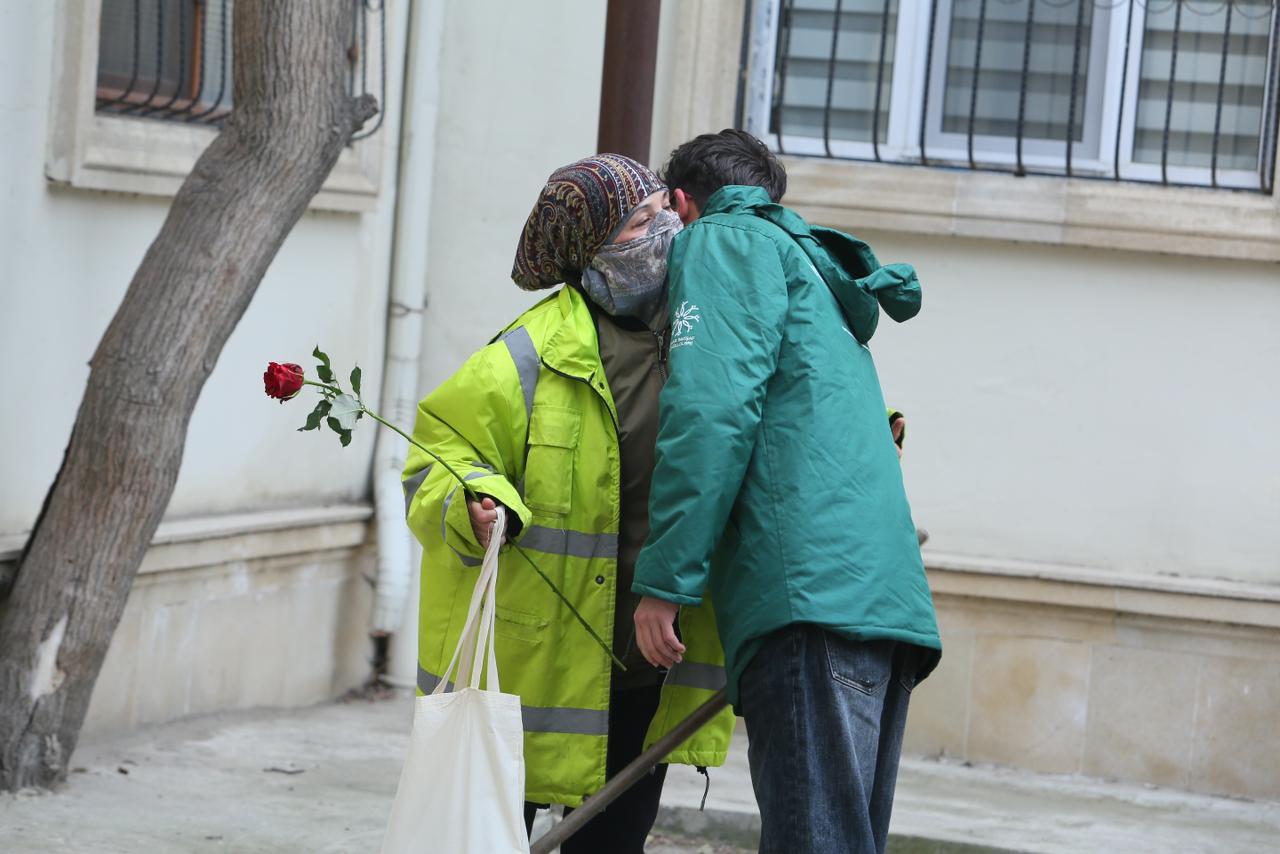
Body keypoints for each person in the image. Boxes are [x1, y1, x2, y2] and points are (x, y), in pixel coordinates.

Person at [401, 154, 736, 853]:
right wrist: (474, 503)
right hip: (535, 665)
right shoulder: (527, 355)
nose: (665, 228)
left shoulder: (711, 332)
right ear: (591, 252)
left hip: (647, 657)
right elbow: (438, 461)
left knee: (613, 843)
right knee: (489, 837)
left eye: (663, 210)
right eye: (638, 221)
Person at [632, 129, 942, 854]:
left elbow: (710, 414)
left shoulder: (723, 242)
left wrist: (665, 583)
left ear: (681, 203)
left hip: (808, 600)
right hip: (877, 601)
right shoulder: (807, 266)